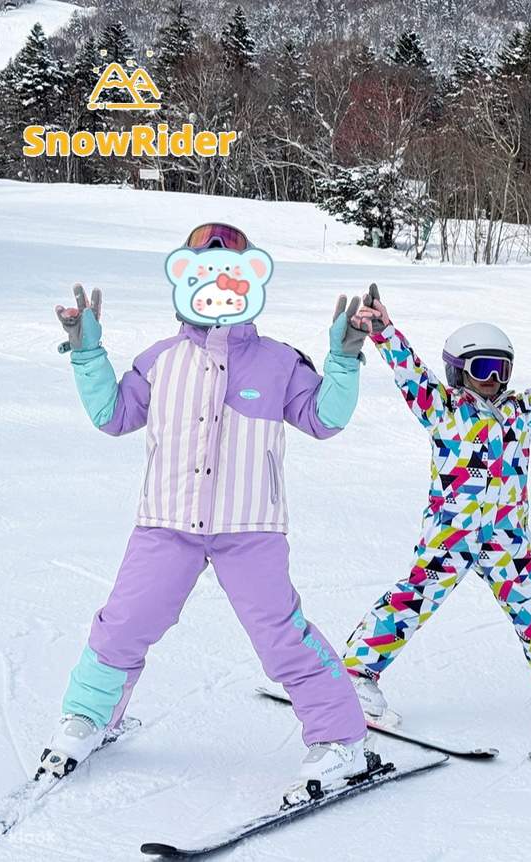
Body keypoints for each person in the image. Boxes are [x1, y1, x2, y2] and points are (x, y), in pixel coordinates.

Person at [45, 223, 371, 804]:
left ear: (252, 278)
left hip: (251, 529)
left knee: (281, 636)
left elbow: (324, 419)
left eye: (231, 269)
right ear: (183, 278)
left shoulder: (278, 362)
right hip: (165, 523)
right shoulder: (160, 359)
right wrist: (89, 354)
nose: (218, 283)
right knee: (123, 623)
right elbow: (113, 415)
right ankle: (88, 718)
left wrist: (342, 361)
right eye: (203, 268)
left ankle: (339, 738)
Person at [340, 288, 531, 736]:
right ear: (458, 371)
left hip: (506, 538)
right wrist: (384, 330)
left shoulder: (520, 412)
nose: (493, 379)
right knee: (410, 601)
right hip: (450, 535)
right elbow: (410, 372)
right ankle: (356, 675)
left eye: (501, 369)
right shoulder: (442, 409)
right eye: (483, 368)